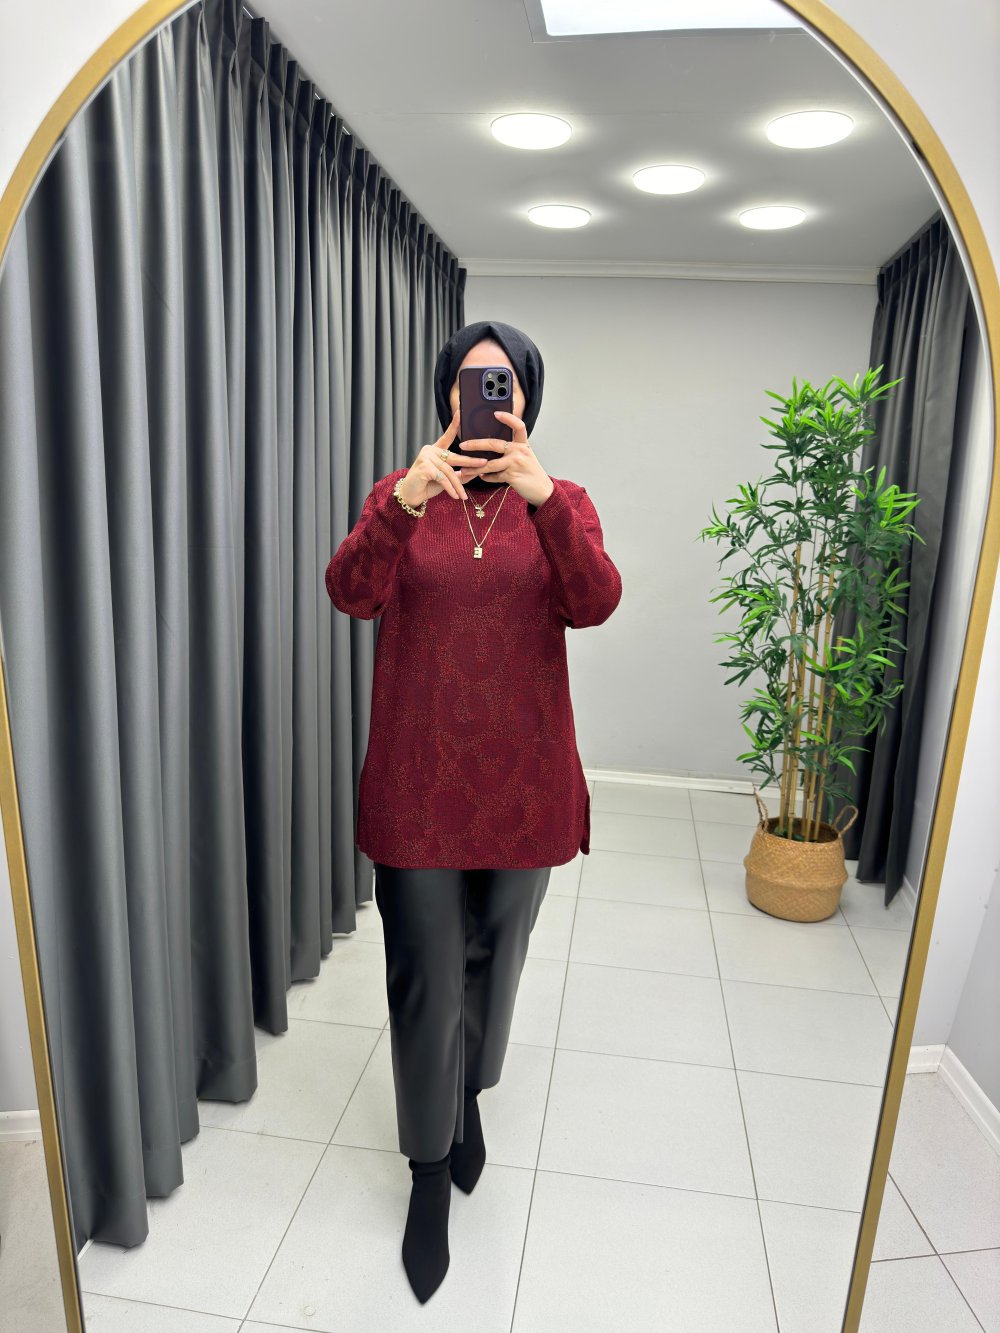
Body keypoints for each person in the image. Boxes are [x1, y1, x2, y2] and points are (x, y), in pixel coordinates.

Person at [324, 319, 623, 1304]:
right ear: (447, 396)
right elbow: (349, 592)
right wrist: (405, 502)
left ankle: (467, 1093)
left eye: (505, 383)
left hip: (525, 785)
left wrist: (544, 503)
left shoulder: (561, 500)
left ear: (527, 399)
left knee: (495, 967)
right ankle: (426, 1169)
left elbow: (594, 602)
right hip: (417, 785)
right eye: (470, 380)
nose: (488, 397)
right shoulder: (401, 494)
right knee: (423, 982)